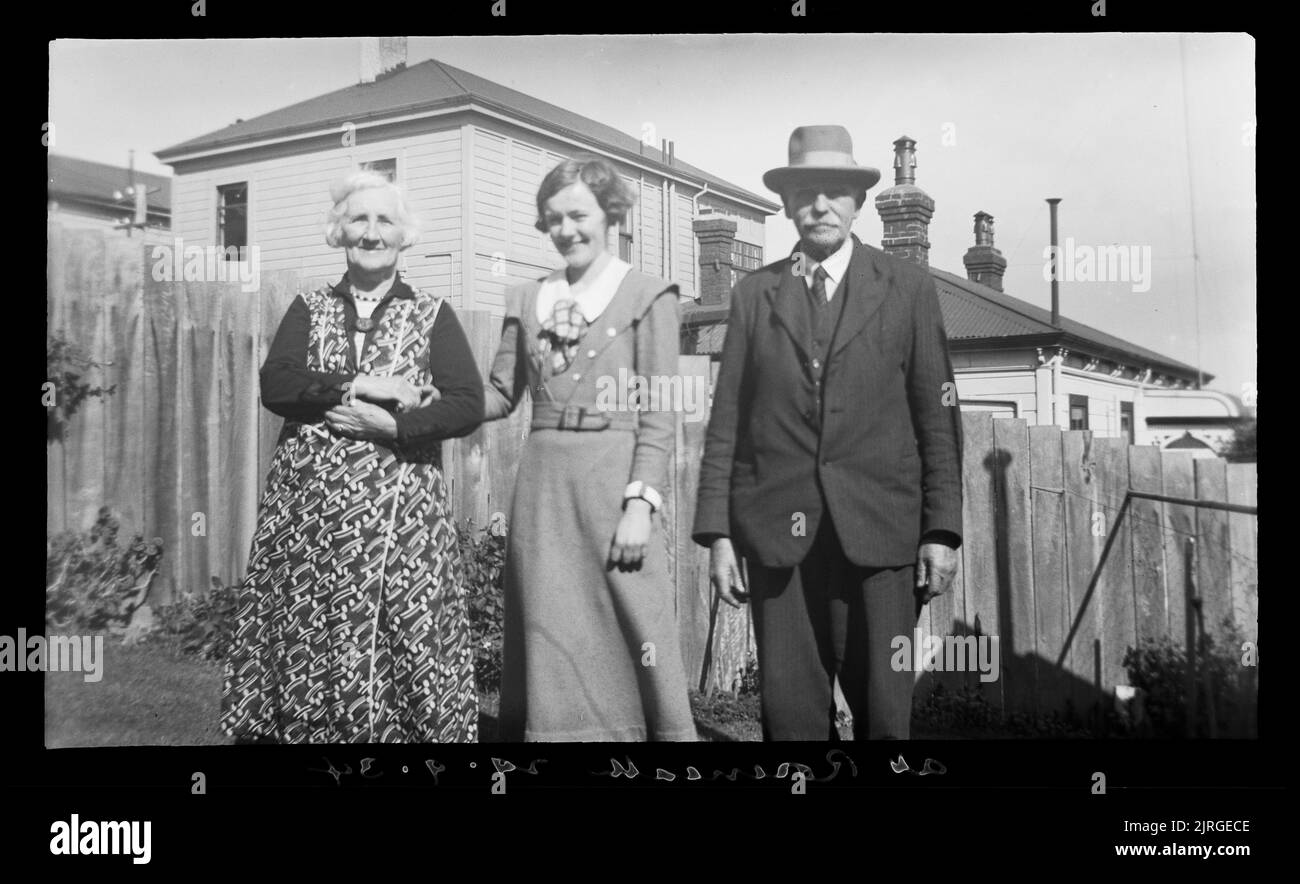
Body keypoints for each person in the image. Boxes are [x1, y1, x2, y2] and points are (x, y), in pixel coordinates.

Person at [692, 126, 963, 740]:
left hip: (883, 535)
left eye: (836, 191)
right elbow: (727, 421)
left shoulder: (909, 288)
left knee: (885, 716)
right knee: (789, 719)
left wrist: (941, 530)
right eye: (805, 192)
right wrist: (718, 534)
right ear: (786, 205)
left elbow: (937, 415)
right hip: (777, 539)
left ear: (858, 201)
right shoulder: (755, 295)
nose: (820, 205)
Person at [222, 170, 485, 744]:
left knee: (405, 623)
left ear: (404, 236)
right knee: (308, 618)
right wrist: (365, 385)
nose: (371, 233)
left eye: (384, 220)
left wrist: (394, 423)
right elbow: (278, 385)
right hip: (309, 511)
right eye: (358, 219)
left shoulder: (432, 313)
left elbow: (467, 404)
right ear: (338, 232)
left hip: (401, 513)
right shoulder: (308, 307)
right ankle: (307, 730)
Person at [483, 155, 696, 742]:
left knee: (632, 612)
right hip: (544, 488)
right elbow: (500, 394)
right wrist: (427, 406)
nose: (566, 230)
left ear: (610, 215)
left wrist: (640, 505)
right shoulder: (526, 298)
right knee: (550, 619)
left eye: (578, 214)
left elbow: (659, 410)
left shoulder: (649, 295)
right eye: (553, 219)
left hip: (614, 480)